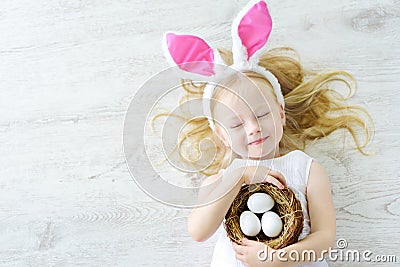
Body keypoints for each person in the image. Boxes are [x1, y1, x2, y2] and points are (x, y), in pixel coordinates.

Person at [159, 0, 373, 266]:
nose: (254, 128)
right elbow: (199, 231)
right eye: (236, 125)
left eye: (262, 115)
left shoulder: (305, 168)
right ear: (222, 136)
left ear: (281, 114)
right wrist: (238, 175)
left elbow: (325, 237)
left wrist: (278, 259)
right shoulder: (220, 179)